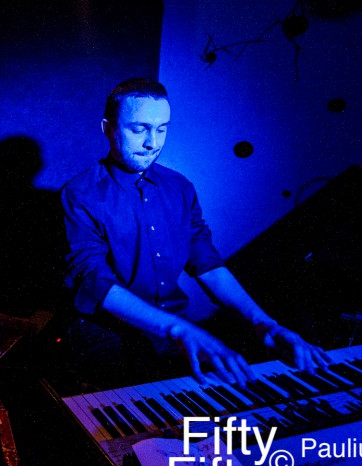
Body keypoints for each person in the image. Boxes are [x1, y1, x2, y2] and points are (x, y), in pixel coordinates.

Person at [61, 77, 329, 387]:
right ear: (108, 128)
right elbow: (94, 281)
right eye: (139, 129)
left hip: (177, 331)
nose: (152, 143)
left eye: (162, 129)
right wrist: (179, 329)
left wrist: (264, 323)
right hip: (107, 337)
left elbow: (207, 264)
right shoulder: (80, 193)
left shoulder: (180, 187)